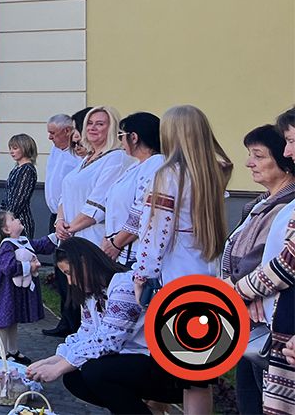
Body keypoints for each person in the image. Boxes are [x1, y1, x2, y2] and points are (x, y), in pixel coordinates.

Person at [132, 104, 230, 414]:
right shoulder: (213, 173)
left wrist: (141, 276)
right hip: (209, 279)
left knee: (173, 369)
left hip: (177, 282)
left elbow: (154, 234)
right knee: (198, 376)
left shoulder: (167, 175)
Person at [26, 238, 185, 413]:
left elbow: (108, 341)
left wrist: (57, 368)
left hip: (163, 367)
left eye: (70, 273)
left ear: (84, 263)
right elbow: (86, 334)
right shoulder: (93, 294)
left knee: (95, 371)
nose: (70, 281)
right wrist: (52, 360)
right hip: (133, 362)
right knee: (73, 376)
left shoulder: (124, 286)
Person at [220, 124, 295, 415]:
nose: (249, 163)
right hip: (249, 319)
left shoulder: (285, 206)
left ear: (283, 161)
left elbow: (281, 266)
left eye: (258, 155)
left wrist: (234, 290)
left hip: (267, 322)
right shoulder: (261, 203)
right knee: (251, 402)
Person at [56, 106, 133, 245]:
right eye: (89, 123)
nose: (92, 128)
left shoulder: (117, 158)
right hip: (70, 237)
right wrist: (59, 221)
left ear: (111, 128)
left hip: (93, 239)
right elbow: (65, 195)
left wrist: (68, 229)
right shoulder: (87, 157)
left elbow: (98, 205)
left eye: (100, 124)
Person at [0, 211, 53, 365]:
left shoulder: (23, 241)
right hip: (4, 292)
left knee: (12, 320)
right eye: (13, 219)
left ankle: (13, 350)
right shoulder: (6, 245)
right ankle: (2, 353)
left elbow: (40, 245)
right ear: (6, 229)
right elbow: (8, 267)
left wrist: (55, 237)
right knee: (3, 322)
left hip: (14, 293)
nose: (17, 219)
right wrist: (30, 266)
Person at [43, 109, 85, 338]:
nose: (49, 137)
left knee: (72, 273)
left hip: (73, 220)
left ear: (68, 131)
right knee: (60, 273)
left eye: (53, 133)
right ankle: (65, 320)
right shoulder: (55, 150)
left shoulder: (77, 154)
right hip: (57, 217)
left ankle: (77, 323)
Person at [101, 112, 163, 265]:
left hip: (133, 253)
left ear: (134, 137)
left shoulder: (156, 163)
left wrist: (116, 244)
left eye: (121, 136)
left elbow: (143, 209)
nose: (120, 142)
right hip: (119, 248)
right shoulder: (136, 165)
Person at [1, 134, 38, 238]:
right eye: (10, 148)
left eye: (15, 148)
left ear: (25, 147)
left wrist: (7, 218)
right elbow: (8, 196)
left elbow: (19, 199)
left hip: (20, 221)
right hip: (10, 218)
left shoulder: (27, 170)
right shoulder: (17, 169)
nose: (11, 151)